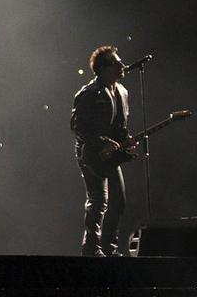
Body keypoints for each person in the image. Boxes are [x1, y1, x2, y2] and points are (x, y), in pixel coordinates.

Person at [71, 46, 136, 257]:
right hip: (90, 153)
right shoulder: (88, 93)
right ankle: (91, 248)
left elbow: (119, 125)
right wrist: (101, 142)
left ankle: (109, 248)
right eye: (116, 63)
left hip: (110, 154)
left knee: (118, 201)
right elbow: (77, 126)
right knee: (98, 199)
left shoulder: (122, 92)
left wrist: (124, 139)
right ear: (103, 69)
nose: (121, 65)